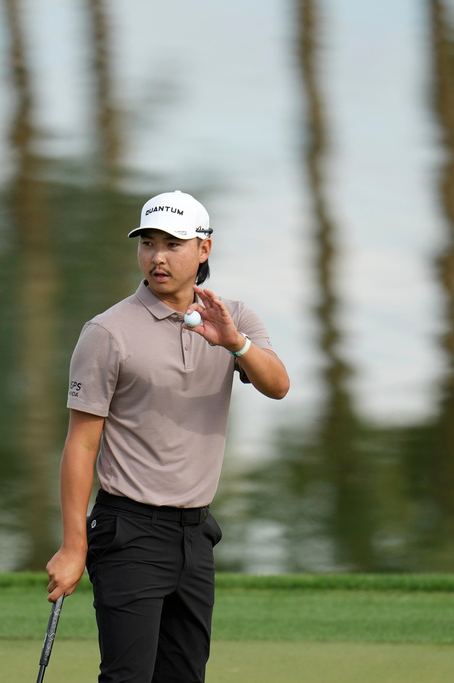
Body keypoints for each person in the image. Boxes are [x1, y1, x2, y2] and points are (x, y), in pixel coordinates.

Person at [45, 190, 290, 683]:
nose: (157, 257)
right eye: (148, 243)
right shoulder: (108, 332)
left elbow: (278, 386)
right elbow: (80, 445)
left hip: (195, 536)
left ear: (204, 250)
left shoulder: (233, 318)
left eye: (173, 244)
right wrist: (74, 547)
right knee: (127, 678)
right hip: (128, 530)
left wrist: (234, 344)